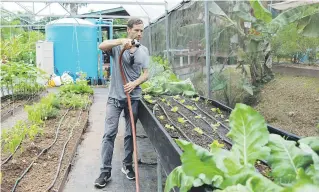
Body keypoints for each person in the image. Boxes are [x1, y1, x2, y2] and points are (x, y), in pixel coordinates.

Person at [94, 18, 149, 188]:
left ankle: (127, 165)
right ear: (128, 30)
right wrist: (121, 41)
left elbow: (146, 73)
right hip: (115, 99)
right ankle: (105, 171)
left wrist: (135, 83)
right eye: (136, 30)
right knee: (109, 134)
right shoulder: (117, 47)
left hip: (133, 99)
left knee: (130, 134)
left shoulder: (143, 50)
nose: (139, 34)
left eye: (142, 31)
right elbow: (101, 46)